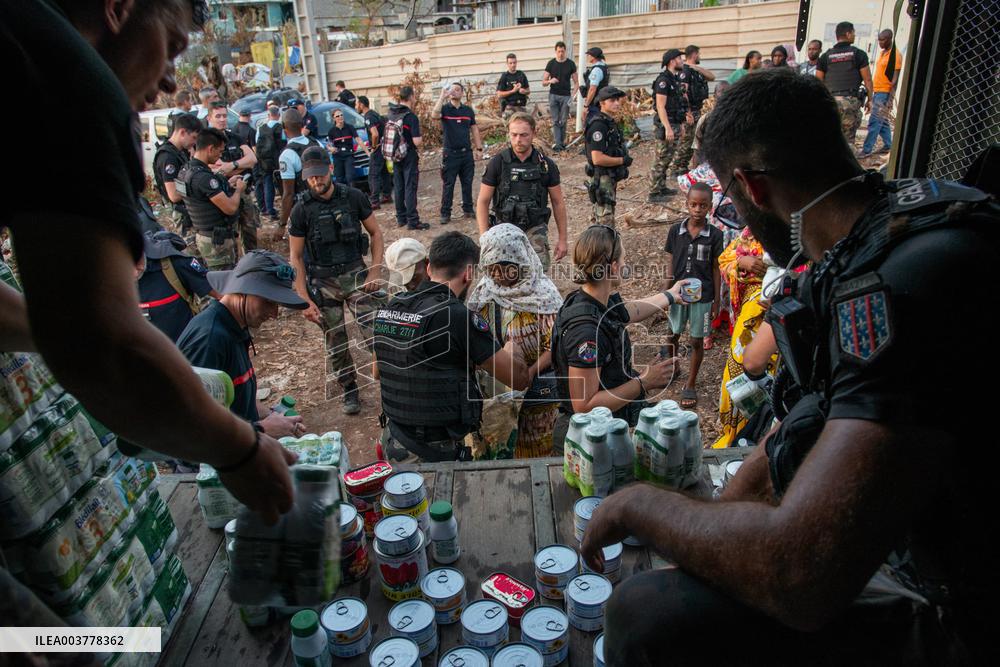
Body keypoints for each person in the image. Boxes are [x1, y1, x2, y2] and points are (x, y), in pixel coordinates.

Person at [585, 68, 997, 665]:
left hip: (964, 613)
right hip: (920, 535)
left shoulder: (900, 285)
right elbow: (806, 417)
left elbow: (797, 577)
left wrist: (638, 506)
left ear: (752, 186)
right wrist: (710, 530)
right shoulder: (894, 226)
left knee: (646, 614)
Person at [3, 1, 299, 642]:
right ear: (118, 9)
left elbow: (73, 327)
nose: (170, 81)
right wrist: (240, 449)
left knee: (38, 639)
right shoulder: (66, 76)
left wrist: (59, 326)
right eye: (172, 42)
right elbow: (104, 349)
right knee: (48, 648)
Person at [373, 231, 533, 463]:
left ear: (429, 268)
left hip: (393, 441)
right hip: (434, 452)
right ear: (468, 274)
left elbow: (377, 372)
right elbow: (518, 379)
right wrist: (512, 346)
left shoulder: (389, 309)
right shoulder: (457, 317)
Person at [551, 225, 687, 449]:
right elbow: (584, 406)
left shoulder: (591, 298)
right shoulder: (586, 333)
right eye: (623, 260)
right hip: (586, 442)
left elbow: (628, 311)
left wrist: (670, 296)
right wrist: (644, 382)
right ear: (613, 267)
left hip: (603, 430)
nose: (625, 266)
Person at [288, 146, 386, 415]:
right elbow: (295, 257)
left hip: (356, 274)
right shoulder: (301, 210)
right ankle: (350, 389)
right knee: (336, 342)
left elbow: (376, 234)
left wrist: (375, 271)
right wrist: (303, 298)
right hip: (323, 280)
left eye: (319, 174)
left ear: (330, 168)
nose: (316, 181)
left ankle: (389, 383)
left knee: (378, 333)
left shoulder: (353, 197)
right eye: (310, 177)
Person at [178, 250, 308, 439]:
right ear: (242, 291)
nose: (274, 313)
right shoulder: (209, 339)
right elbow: (193, 424)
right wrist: (262, 430)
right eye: (268, 302)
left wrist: (271, 416)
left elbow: (231, 397)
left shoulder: (234, 325)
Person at [466, 224, 563, 459]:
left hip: (536, 399)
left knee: (534, 455)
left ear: (522, 261)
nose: (498, 276)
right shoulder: (483, 293)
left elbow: (555, 346)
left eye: (506, 268)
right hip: (494, 396)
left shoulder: (544, 296)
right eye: (492, 269)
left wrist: (529, 372)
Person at [476, 112, 568, 271]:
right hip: (503, 227)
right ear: (509, 134)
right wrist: (485, 238)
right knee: (503, 277)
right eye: (514, 135)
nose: (518, 140)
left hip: (535, 227)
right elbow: (483, 201)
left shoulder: (546, 165)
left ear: (534, 133)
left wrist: (562, 240)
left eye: (524, 135)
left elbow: (558, 202)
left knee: (539, 275)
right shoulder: (497, 163)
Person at [662, 182, 723, 408]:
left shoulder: (715, 235)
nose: (697, 209)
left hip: (703, 295)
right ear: (686, 204)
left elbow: (716, 268)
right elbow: (670, 262)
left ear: (710, 207)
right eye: (693, 204)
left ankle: (691, 383)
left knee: (696, 340)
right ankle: (674, 367)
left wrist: (717, 300)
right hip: (677, 293)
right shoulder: (675, 231)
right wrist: (666, 292)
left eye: (703, 205)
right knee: (672, 335)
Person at [177, 128, 245, 271]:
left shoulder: (185, 170)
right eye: (219, 151)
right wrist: (238, 189)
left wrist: (226, 184)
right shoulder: (203, 178)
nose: (220, 156)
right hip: (216, 242)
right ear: (210, 149)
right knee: (224, 284)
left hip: (202, 236)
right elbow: (230, 208)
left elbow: (197, 197)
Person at [137, 230, 220, 343]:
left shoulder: (172, 262)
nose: (133, 273)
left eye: (136, 262)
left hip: (188, 348)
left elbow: (219, 292)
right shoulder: (111, 278)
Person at [206, 101, 260, 254]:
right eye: (218, 116)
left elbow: (253, 159)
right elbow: (216, 169)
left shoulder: (235, 138)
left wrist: (232, 165)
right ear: (210, 118)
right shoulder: (205, 142)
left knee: (250, 233)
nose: (222, 119)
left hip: (244, 191)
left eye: (224, 115)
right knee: (230, 239)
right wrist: (240, 166)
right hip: (224, 195)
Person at [432, 82, 483, 224]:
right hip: (450, 154)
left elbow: (474, 129)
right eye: (452, 90)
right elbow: (434, 115)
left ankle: (468, 209)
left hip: (466, 153)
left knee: (467, 182)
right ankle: (445, 213)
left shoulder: (467, 111)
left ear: (462, 93)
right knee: (449, 184)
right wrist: (442, 97)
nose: (454, 92)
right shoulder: (445, 109)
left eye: (457, 90)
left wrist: (479, 148)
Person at [817, 21, 873, 146]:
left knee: (829, 139)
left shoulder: (825, 57)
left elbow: (818, 82)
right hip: (850, 103)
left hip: (830, 103)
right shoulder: (859, 54)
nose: (854, 35)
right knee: (848, 143)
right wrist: (870, 100)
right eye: (853, 33)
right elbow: (867, 79)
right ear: (848, 34)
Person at [585, 87, 632, 226]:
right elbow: (597, 158)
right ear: (602, 103)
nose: (617, 103)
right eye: (612, 100)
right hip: (602, 178)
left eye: (617, 100)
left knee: (602, 216)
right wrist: (622, 160)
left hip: (609, 177)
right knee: (605, 221)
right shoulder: (599, 126)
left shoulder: (609, 122)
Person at [649, 49, 690, 202]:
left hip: (675, 123)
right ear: (672, 61)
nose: (682, 61)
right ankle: (654, 192)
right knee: (660, 159)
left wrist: (681, 125)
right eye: (680, 58)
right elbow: (660, 106)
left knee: (668, 158)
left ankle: (661, 187)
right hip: (665, 125)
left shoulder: (674, 79)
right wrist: (667, 127)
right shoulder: (663, 80)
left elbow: (679, 104)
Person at [153, 111, 200, 242]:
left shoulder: (180, 152)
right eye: (194, 137)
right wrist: (198, 186)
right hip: (182, 215)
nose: (194, 142)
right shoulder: (168, 157)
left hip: (189, 211)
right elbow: (173, 195)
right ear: (183, 132)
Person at [387, 85, 429, 230]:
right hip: (408, 154)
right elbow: (417, 141)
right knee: (410, 187)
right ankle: (413, 220)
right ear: (411, 96)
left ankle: (401, 218)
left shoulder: (392, 113)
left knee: (398, 186)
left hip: (395, 155)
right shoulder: (410, 117)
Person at [277, 108, 324, 232]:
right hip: (324, 204)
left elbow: (288, 194)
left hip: (304, 211)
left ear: (284, 128)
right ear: (302, 124)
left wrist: (282, 224)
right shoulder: (317, 143)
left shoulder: (287, 155)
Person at [671, 45, 715, 176]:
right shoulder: (685, 71)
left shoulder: (694, 70)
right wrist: (687, 112)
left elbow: (712, 77)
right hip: (691, 111)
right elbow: (683, 92)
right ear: (695, 54)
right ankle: (676, 168)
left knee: (692, 141)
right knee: (687, 141)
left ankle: (682, 167)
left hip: (697, 109)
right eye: (699, 54)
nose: (699, 56)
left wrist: (695, 67)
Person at [860, 29, 902, 157]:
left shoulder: (895, 55)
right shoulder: (883, 53)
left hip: (884, 92)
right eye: (879, 40)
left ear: (890, 39)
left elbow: (895, 79)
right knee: (882, 121)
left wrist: (890, 99)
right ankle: (888, 145)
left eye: (883, 40)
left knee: (874, 121)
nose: (880, 43)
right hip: (877, 91)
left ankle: (866, 150)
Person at [358, 95, 393, 207]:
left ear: (362, 105)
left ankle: (374, 201)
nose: (355, 106)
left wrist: (373, 146)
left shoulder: (368, 117)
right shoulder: (374, 113)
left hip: (378, 148)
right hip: (384, 146)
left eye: (356, 104)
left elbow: (375, 133)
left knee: (373, 174)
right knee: (384, 172)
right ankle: (387, 195)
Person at [543, 41, 578, 151]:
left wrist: (573, 96)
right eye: (559, 51)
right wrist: (550, 81)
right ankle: (558, 143)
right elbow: (543, 82)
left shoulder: (570, 64)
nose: (561, 54)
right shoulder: (551, 64)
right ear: (555, 51)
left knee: (563, 120)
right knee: (555, 120)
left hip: (566, 96)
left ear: (565, 51)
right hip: (553, 95)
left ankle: (561, 143)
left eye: (562, 51)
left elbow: (577, 82)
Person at [254, 104, 283, 220]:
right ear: (278, 115)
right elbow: (285, 143)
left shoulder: (260, 128)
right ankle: (287, 208)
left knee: (267, 184)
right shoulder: (281, 128)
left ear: (268, 115)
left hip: (264, 161)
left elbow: (257, 144)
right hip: (278, 161)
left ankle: (270, 210)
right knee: (283, 185)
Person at [326, 108, 357, 186]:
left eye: (341, 115)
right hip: (337, 156)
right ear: (334, 118)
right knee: (339, 179)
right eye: (337, 116)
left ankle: (352, 194)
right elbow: (328, 145)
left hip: (348, 155)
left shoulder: (350, 127)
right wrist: (331, 148)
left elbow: (359, 140)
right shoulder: (331, 131)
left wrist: (367, 152)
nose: (340, 117)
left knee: (350, 177)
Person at [580, 47, 610, 124]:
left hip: (595, 104)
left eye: (589, 55)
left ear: (593, 57)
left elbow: (592, 89)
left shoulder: (597, 70)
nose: (588, 57)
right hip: (601, 102)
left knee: (593, 125)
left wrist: (586, 106)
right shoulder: (604, 67)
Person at [496, 53, 530, 118]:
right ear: (507, 64)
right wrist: (512, 91)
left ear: (516, 62)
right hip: (509, 107)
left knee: (524, 125)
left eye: (514, 63)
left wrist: (524, 91)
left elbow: (528, 91)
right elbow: (499, 94)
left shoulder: (521, 74)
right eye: (510, 63)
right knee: (509, 125)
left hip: (521, 106)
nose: (513, 65)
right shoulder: (505, 76)